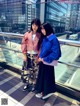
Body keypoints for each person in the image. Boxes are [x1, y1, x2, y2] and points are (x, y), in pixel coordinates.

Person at [35, 23, 61, 99]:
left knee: (47, 78)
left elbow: (55, 54)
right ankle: (43, 91)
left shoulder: (53, 39)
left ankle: (46, 92)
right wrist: (40, 58)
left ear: (48, 29)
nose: (42, 31)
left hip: (47, 62)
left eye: (43, 29)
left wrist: (44, 59)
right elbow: (43, 50)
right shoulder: (46, 38)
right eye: (41, 29)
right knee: (43, 77)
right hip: (43, 62)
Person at [21, 18, 41, 91]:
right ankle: (27, 84)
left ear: (38, 26)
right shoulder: (27, 34)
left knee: (35, 72)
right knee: (27, 70)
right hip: (28, 55)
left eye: (36, 25)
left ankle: (34, 85)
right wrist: (24, 54)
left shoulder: (40, 35)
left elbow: (41, 47)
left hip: (36, 56)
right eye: (33, 25)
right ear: (31, 25)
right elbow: (23, 44)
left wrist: (38, 57)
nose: (34, 27)